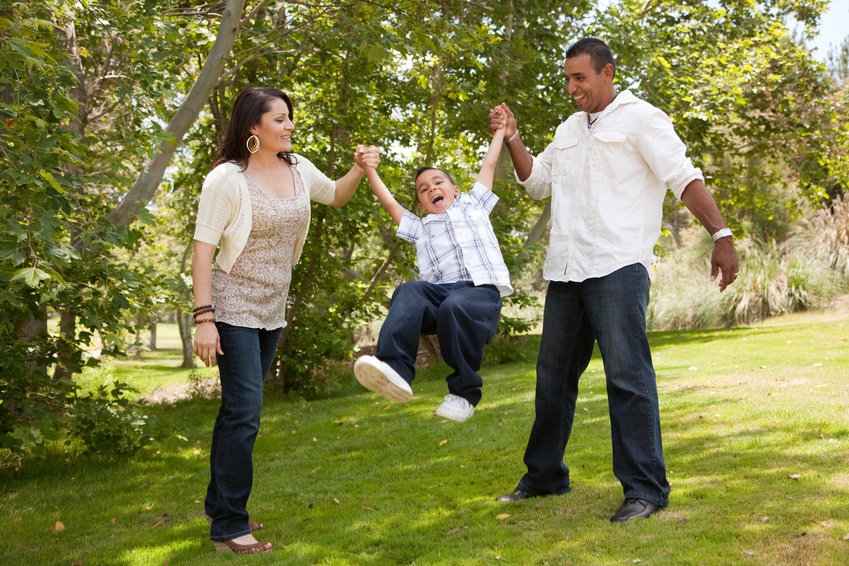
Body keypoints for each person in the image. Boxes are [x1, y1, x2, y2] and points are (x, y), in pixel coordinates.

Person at [489, 38, 739, 521]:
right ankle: (544, 477)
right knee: (553, 378)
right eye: (567, 78)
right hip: (566, 269)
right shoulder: (568, 128)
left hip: (618, 267)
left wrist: (721, 234)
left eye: (579, 77)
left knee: (628, 377)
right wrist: (514, 137)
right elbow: (537, 181)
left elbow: (683, 178)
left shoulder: (642, 118)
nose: (571, 87)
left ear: (607, 73)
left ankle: (645, 490)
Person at [191, 86, 378, 553]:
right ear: (253, 126)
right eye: (280, 119)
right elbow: (202, 250)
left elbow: (335, 196)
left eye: (290, 117)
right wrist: (204, 319)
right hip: (231, 308)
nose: (290, 124)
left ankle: (219, 504)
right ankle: (230, 527)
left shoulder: (297, 168)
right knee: (245, 413)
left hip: (272, 308)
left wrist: (359, 167)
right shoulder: (226, 180)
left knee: (236, 410)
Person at [352, 123, 513, 422]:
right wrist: (368, 169)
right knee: (408, 291)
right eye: (423, 190)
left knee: (456, 304)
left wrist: (500, 131)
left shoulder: (474, 206)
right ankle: (395, 368)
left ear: (455, 190)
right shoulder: (420, 227)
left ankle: (464, 393)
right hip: (440, 297)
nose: (431, 189)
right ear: (422, 204)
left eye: (438, 183)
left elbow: (489, 162)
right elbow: (388, 201)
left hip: (479, 295)